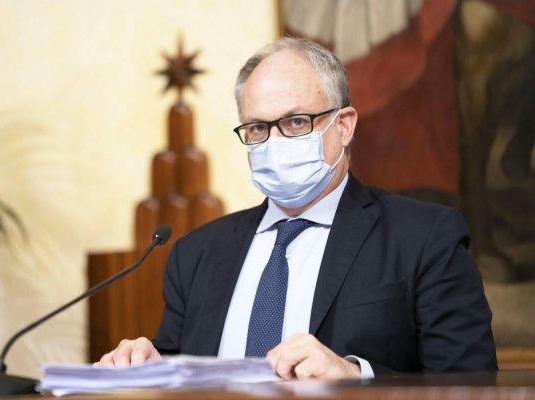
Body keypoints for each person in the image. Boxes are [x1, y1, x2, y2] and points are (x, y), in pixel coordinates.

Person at [96, 38, 497, 380]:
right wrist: (149, 366)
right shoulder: (195, 253)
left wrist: (356, 377)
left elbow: (471, 383)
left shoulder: (423, 237)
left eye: (295, 122)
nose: (273, 142)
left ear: (343, 126)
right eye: (257, 127)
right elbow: (181, 368)